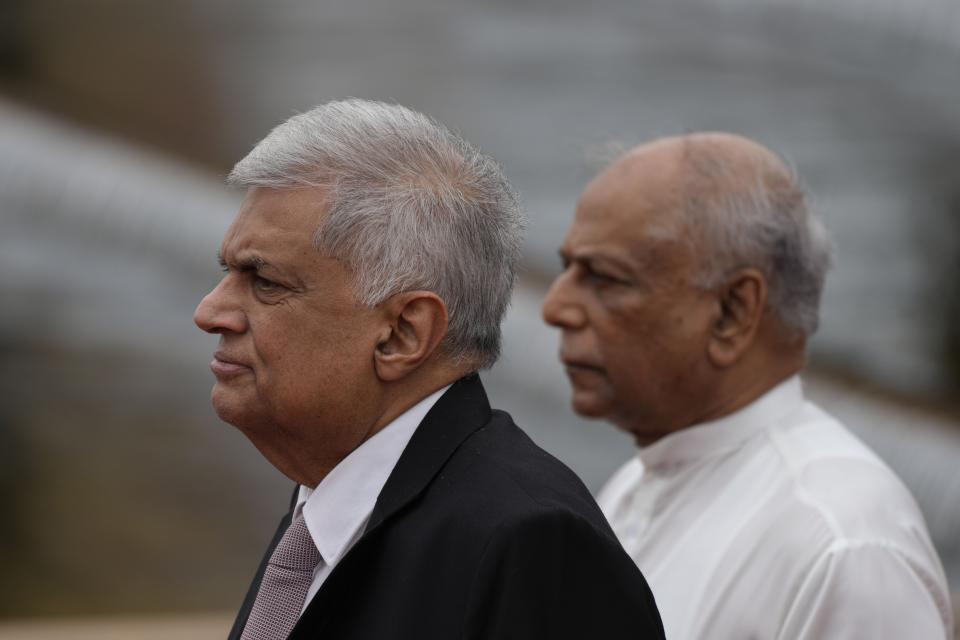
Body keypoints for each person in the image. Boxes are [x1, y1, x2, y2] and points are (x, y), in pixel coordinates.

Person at [193, 99, 664, 640]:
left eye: (265, 282)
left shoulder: (529, 544)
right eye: (227, 271)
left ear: (403, 334)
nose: (210, 312)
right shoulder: (328, 506)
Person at [542, 132, 954, 639]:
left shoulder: (841, 546)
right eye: (567, 270)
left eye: (604, 278)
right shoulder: (637, 483)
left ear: (733, 312)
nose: (555, 308)